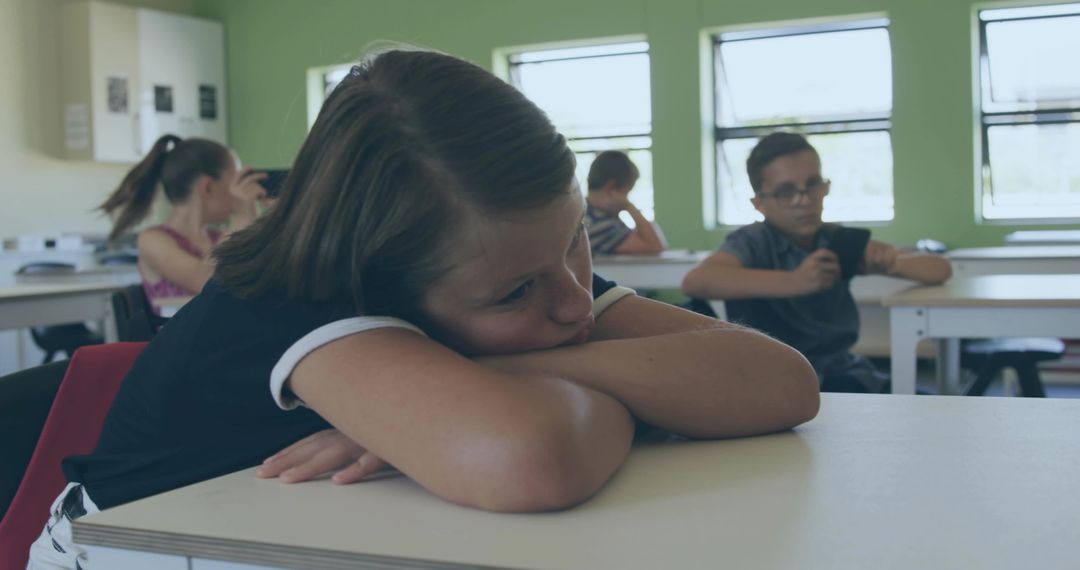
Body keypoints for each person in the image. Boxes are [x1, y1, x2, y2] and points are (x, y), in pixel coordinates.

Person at [29, 50, 820, 569]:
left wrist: (510, 368)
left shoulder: (525, 272)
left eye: (576, 241)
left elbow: (780, 382)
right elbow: (534, 458)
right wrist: (628, 391)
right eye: (515, 293)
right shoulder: (289, 301)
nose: (574, 299)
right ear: (380, 281)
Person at [682, 132, 952, 394]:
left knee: (934, 414)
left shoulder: (835, 239)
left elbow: (941, 269)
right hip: (775, 380)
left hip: (845, 372)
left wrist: (893, 263)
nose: (805, 200)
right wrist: (794, 281)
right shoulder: (753, 241)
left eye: (813, 185)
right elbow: (696, 281)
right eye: (786, 192)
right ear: (759, 203)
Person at [98, 134, 267, 306]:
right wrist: (240, 218)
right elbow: (207, 283)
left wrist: (275, 216)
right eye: (235, 181)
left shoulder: (219, 237)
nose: (239, 190)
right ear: (207, 187)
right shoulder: (153, 240)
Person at [584, 150, 666, 255]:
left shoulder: (585, 213)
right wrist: (629, 207)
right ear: (610, 188)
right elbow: (655, 247)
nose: (626, 199)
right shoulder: (600, 224)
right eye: (626, 193)